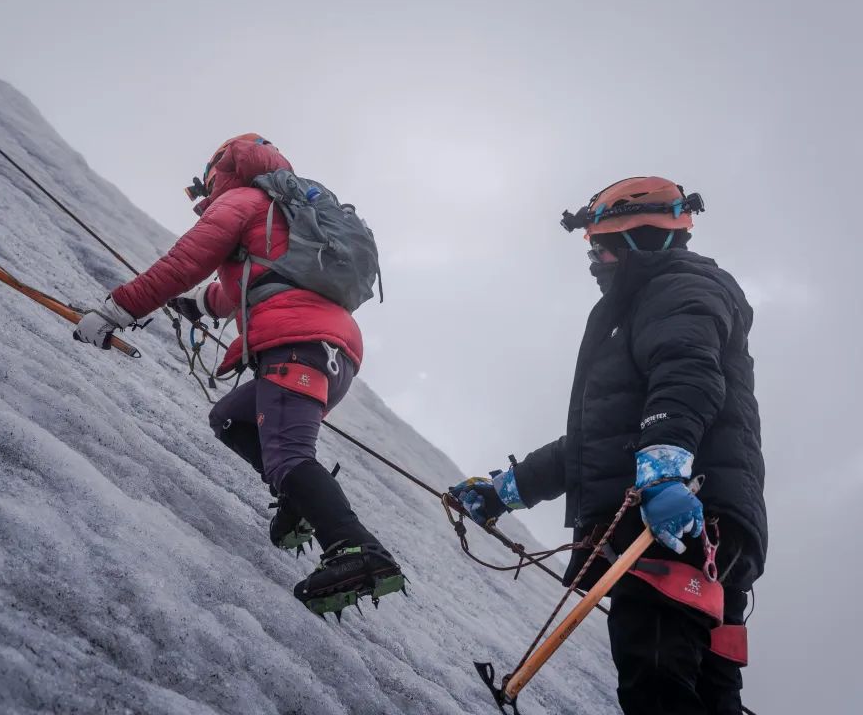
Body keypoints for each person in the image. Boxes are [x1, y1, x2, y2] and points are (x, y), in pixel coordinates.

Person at [451, 177, 766, 714]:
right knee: (710, 697)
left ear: (639, 241)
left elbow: (687, 376)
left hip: (678, 521)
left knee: (658, 687)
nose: (594, 260)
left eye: (601, 246)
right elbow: (602, 441)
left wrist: (664, 471)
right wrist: (509, 489)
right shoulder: (651, 302)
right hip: (694, 523)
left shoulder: (678, 291)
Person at [73, 134, 403, 614]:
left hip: (296, 345)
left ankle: (359, 552)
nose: (204, 191)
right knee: (231, 418)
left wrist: (116, 311)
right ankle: (299, 501)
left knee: (289, 454)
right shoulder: (286, 220)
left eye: (207, 180)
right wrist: (198, 304)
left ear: (222, 169)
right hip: (335, 353)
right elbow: (250, 283)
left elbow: (186, 262)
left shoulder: (245, 201)